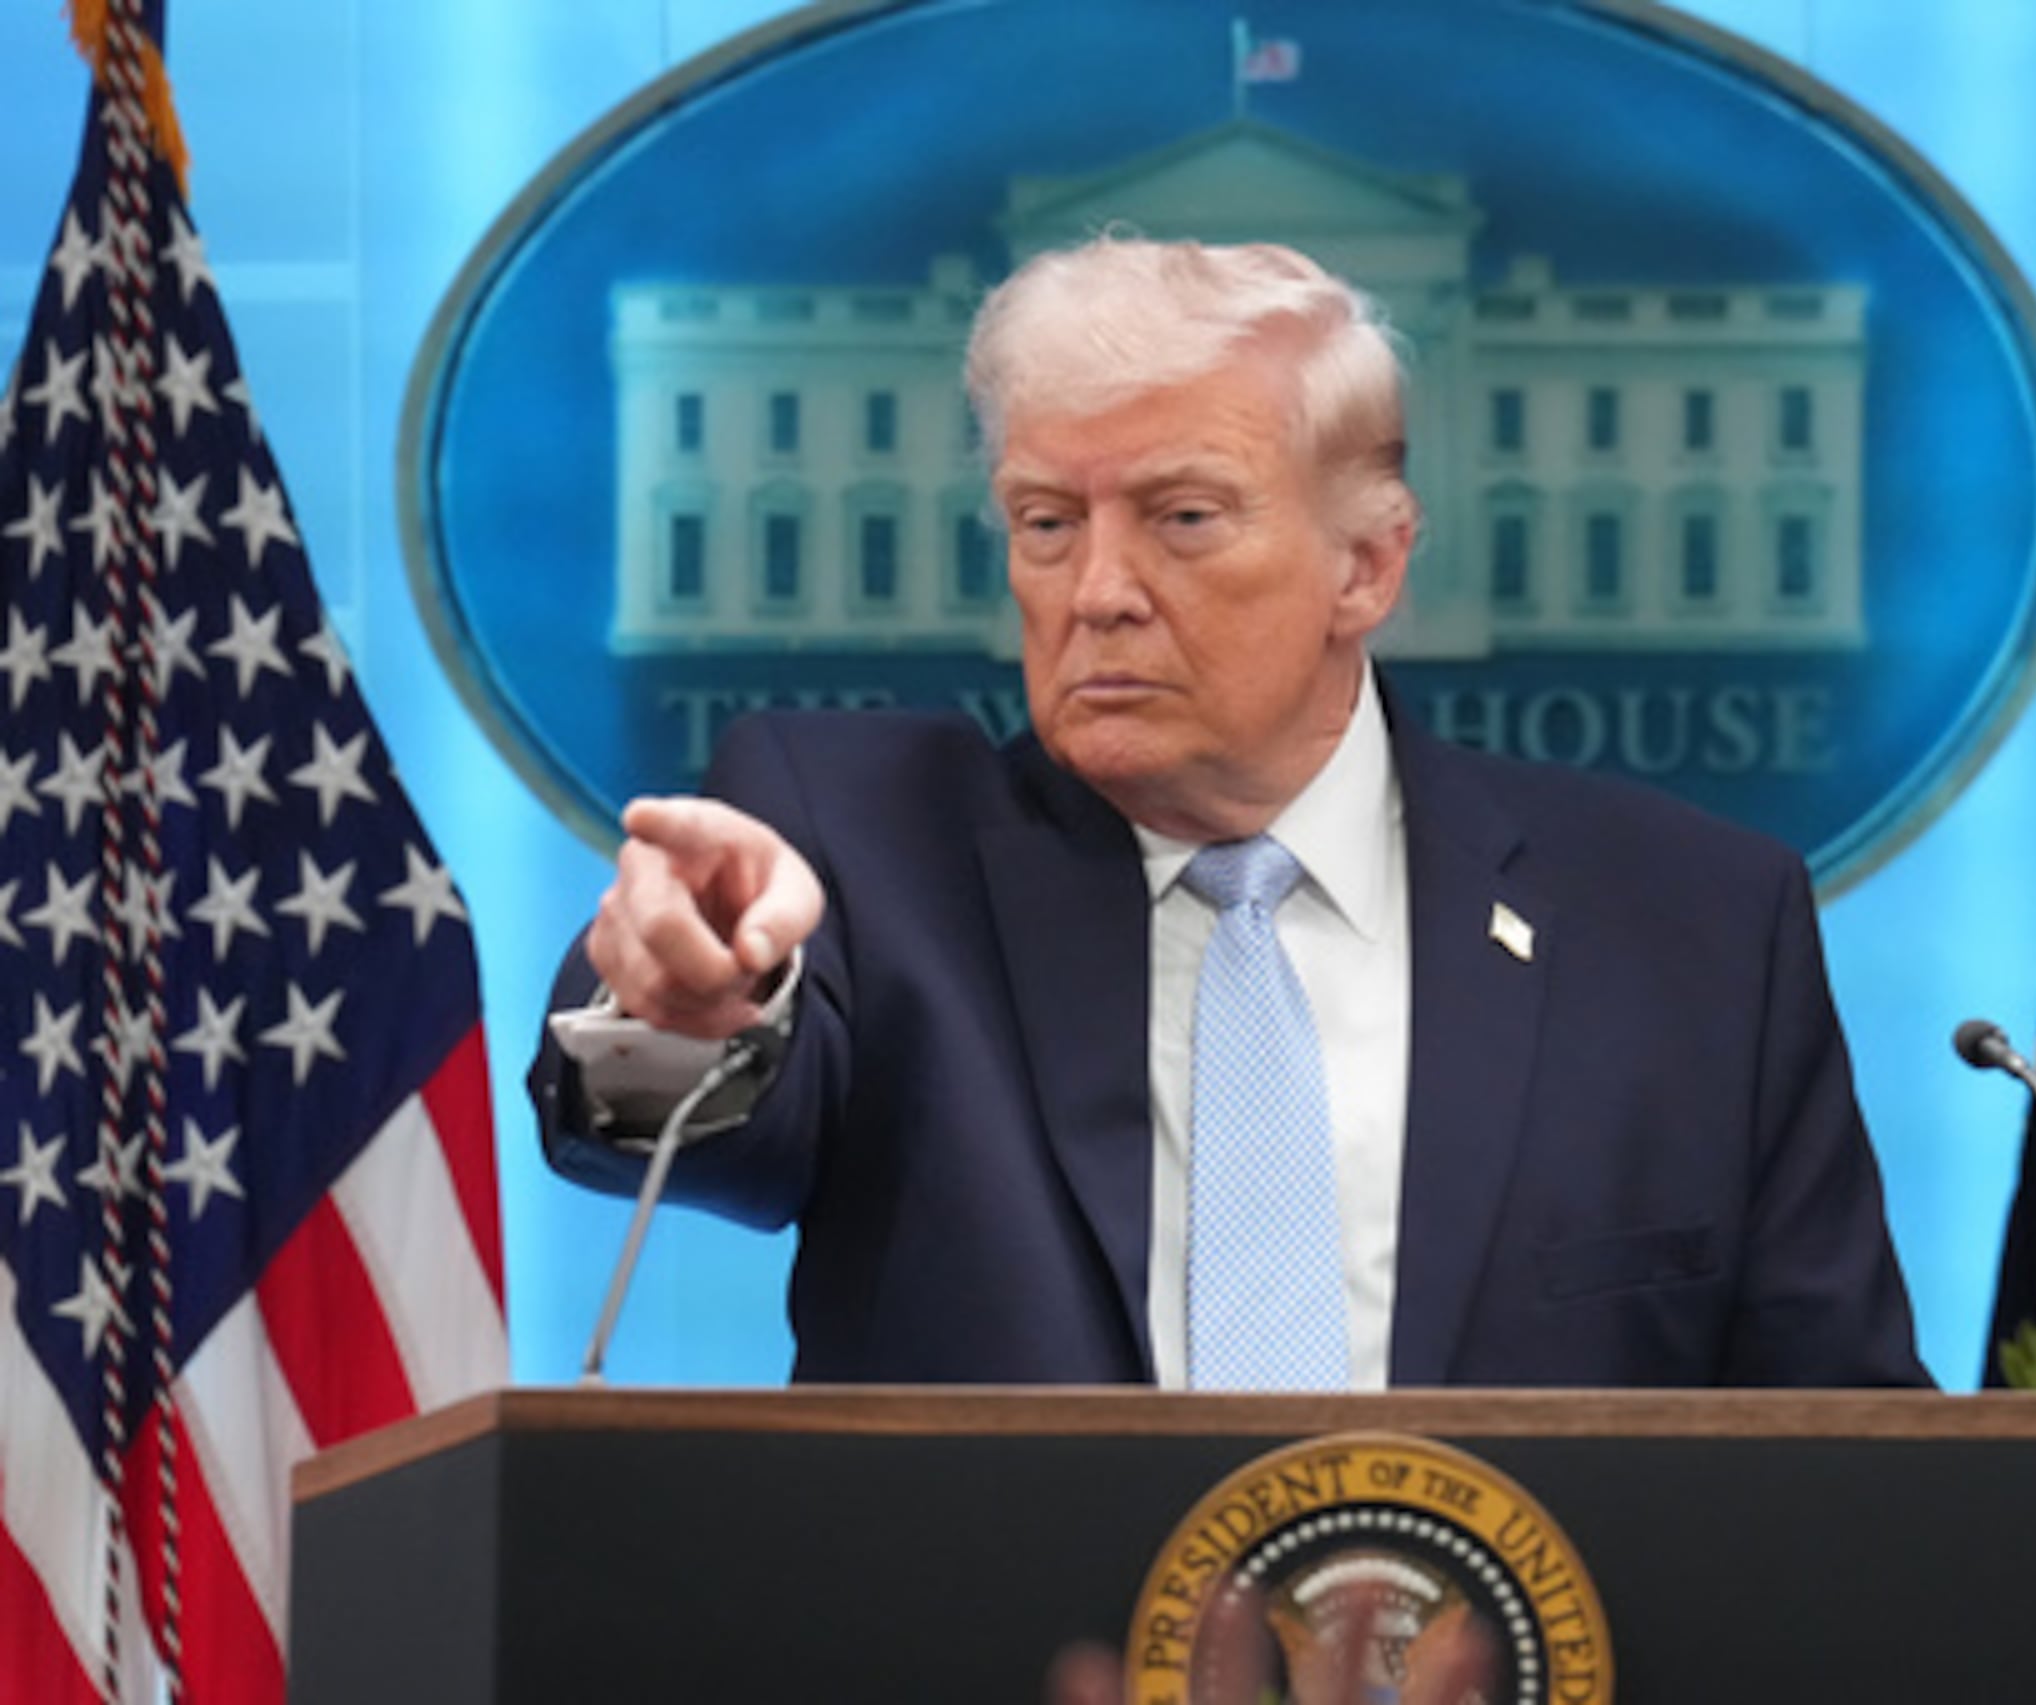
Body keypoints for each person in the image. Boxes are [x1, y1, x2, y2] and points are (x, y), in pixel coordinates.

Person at [528, 235, 1926, 1391]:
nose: (1098, 592)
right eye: (1045, 523)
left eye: (1183, 517)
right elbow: (675, 1114)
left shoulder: (1690, 930)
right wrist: (687, 1002)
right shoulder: (862, 845)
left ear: (1367, 568)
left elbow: (1849, 1476)